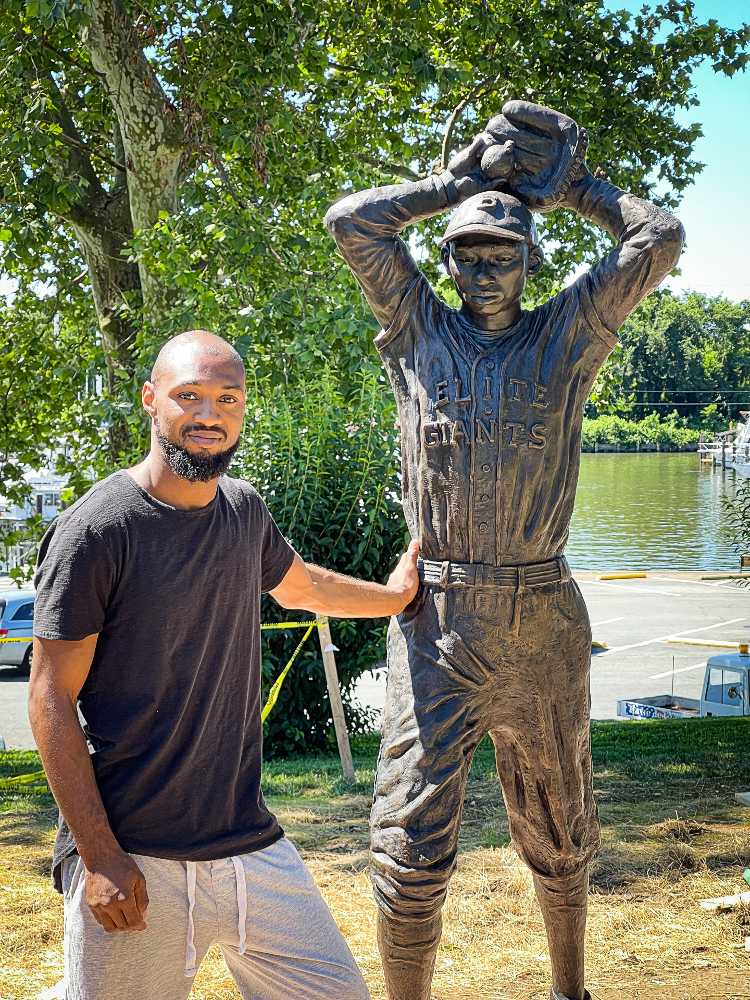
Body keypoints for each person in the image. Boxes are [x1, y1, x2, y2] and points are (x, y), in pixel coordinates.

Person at [324, 101, 684, 1000]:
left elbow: (661, 235)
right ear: (445, 264)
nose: (486, 271)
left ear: (531, 262)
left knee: (563, 835)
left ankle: (571, 991)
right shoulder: (416, 328)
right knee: (407, 846)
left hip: (542, 618)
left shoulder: (568, 335)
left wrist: (577, 189)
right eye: (469, 255)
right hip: (438, 624)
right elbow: (350, 222)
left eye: (505, 255)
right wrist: (455, 184)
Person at [28, 329, 420, 1000]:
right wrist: (98, 856)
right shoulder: (98, 530)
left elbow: (302, 587)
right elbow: (49, 700)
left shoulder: (243, 512)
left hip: (250, 846)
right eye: (190, 397)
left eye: (227, 399)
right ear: (152, 401)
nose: (210, 415)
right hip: (137, 857)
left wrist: (395, 597)